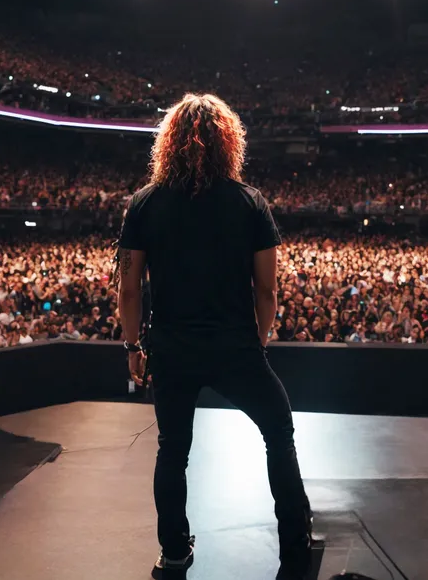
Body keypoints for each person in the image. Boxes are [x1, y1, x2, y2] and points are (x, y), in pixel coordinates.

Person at [116, 93, 314, 579]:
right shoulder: (249, 202)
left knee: (172, 450)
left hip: (171, 349)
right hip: (236, 348)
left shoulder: (144, 203)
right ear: (229, 142)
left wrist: (131, 347)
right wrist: (259, 340)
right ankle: (294, 546)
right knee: (278, 435)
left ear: (169, 143)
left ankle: (175, 551)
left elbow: (128, 288)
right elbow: (266, 288)